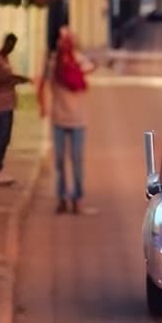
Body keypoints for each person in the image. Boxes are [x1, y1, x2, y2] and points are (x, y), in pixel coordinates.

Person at [47, 20, 91, 207]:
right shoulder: (53, 64)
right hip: (59, 118)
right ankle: (62, 197)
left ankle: (76, 197)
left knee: (76, 160)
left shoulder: (78, 60)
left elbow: (90, 67)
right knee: (59, 161)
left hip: (77, 120)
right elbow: (45, 82)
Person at [0, 27, 25, 184]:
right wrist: (11, 81)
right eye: (10, 45)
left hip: (9, 103)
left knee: (6, 137)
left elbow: (8, 76)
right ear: (5, 43)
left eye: (13, 46)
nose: (11, 48)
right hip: (0, 104)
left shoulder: (6, 60)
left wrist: (18, 79)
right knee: (1, 136)